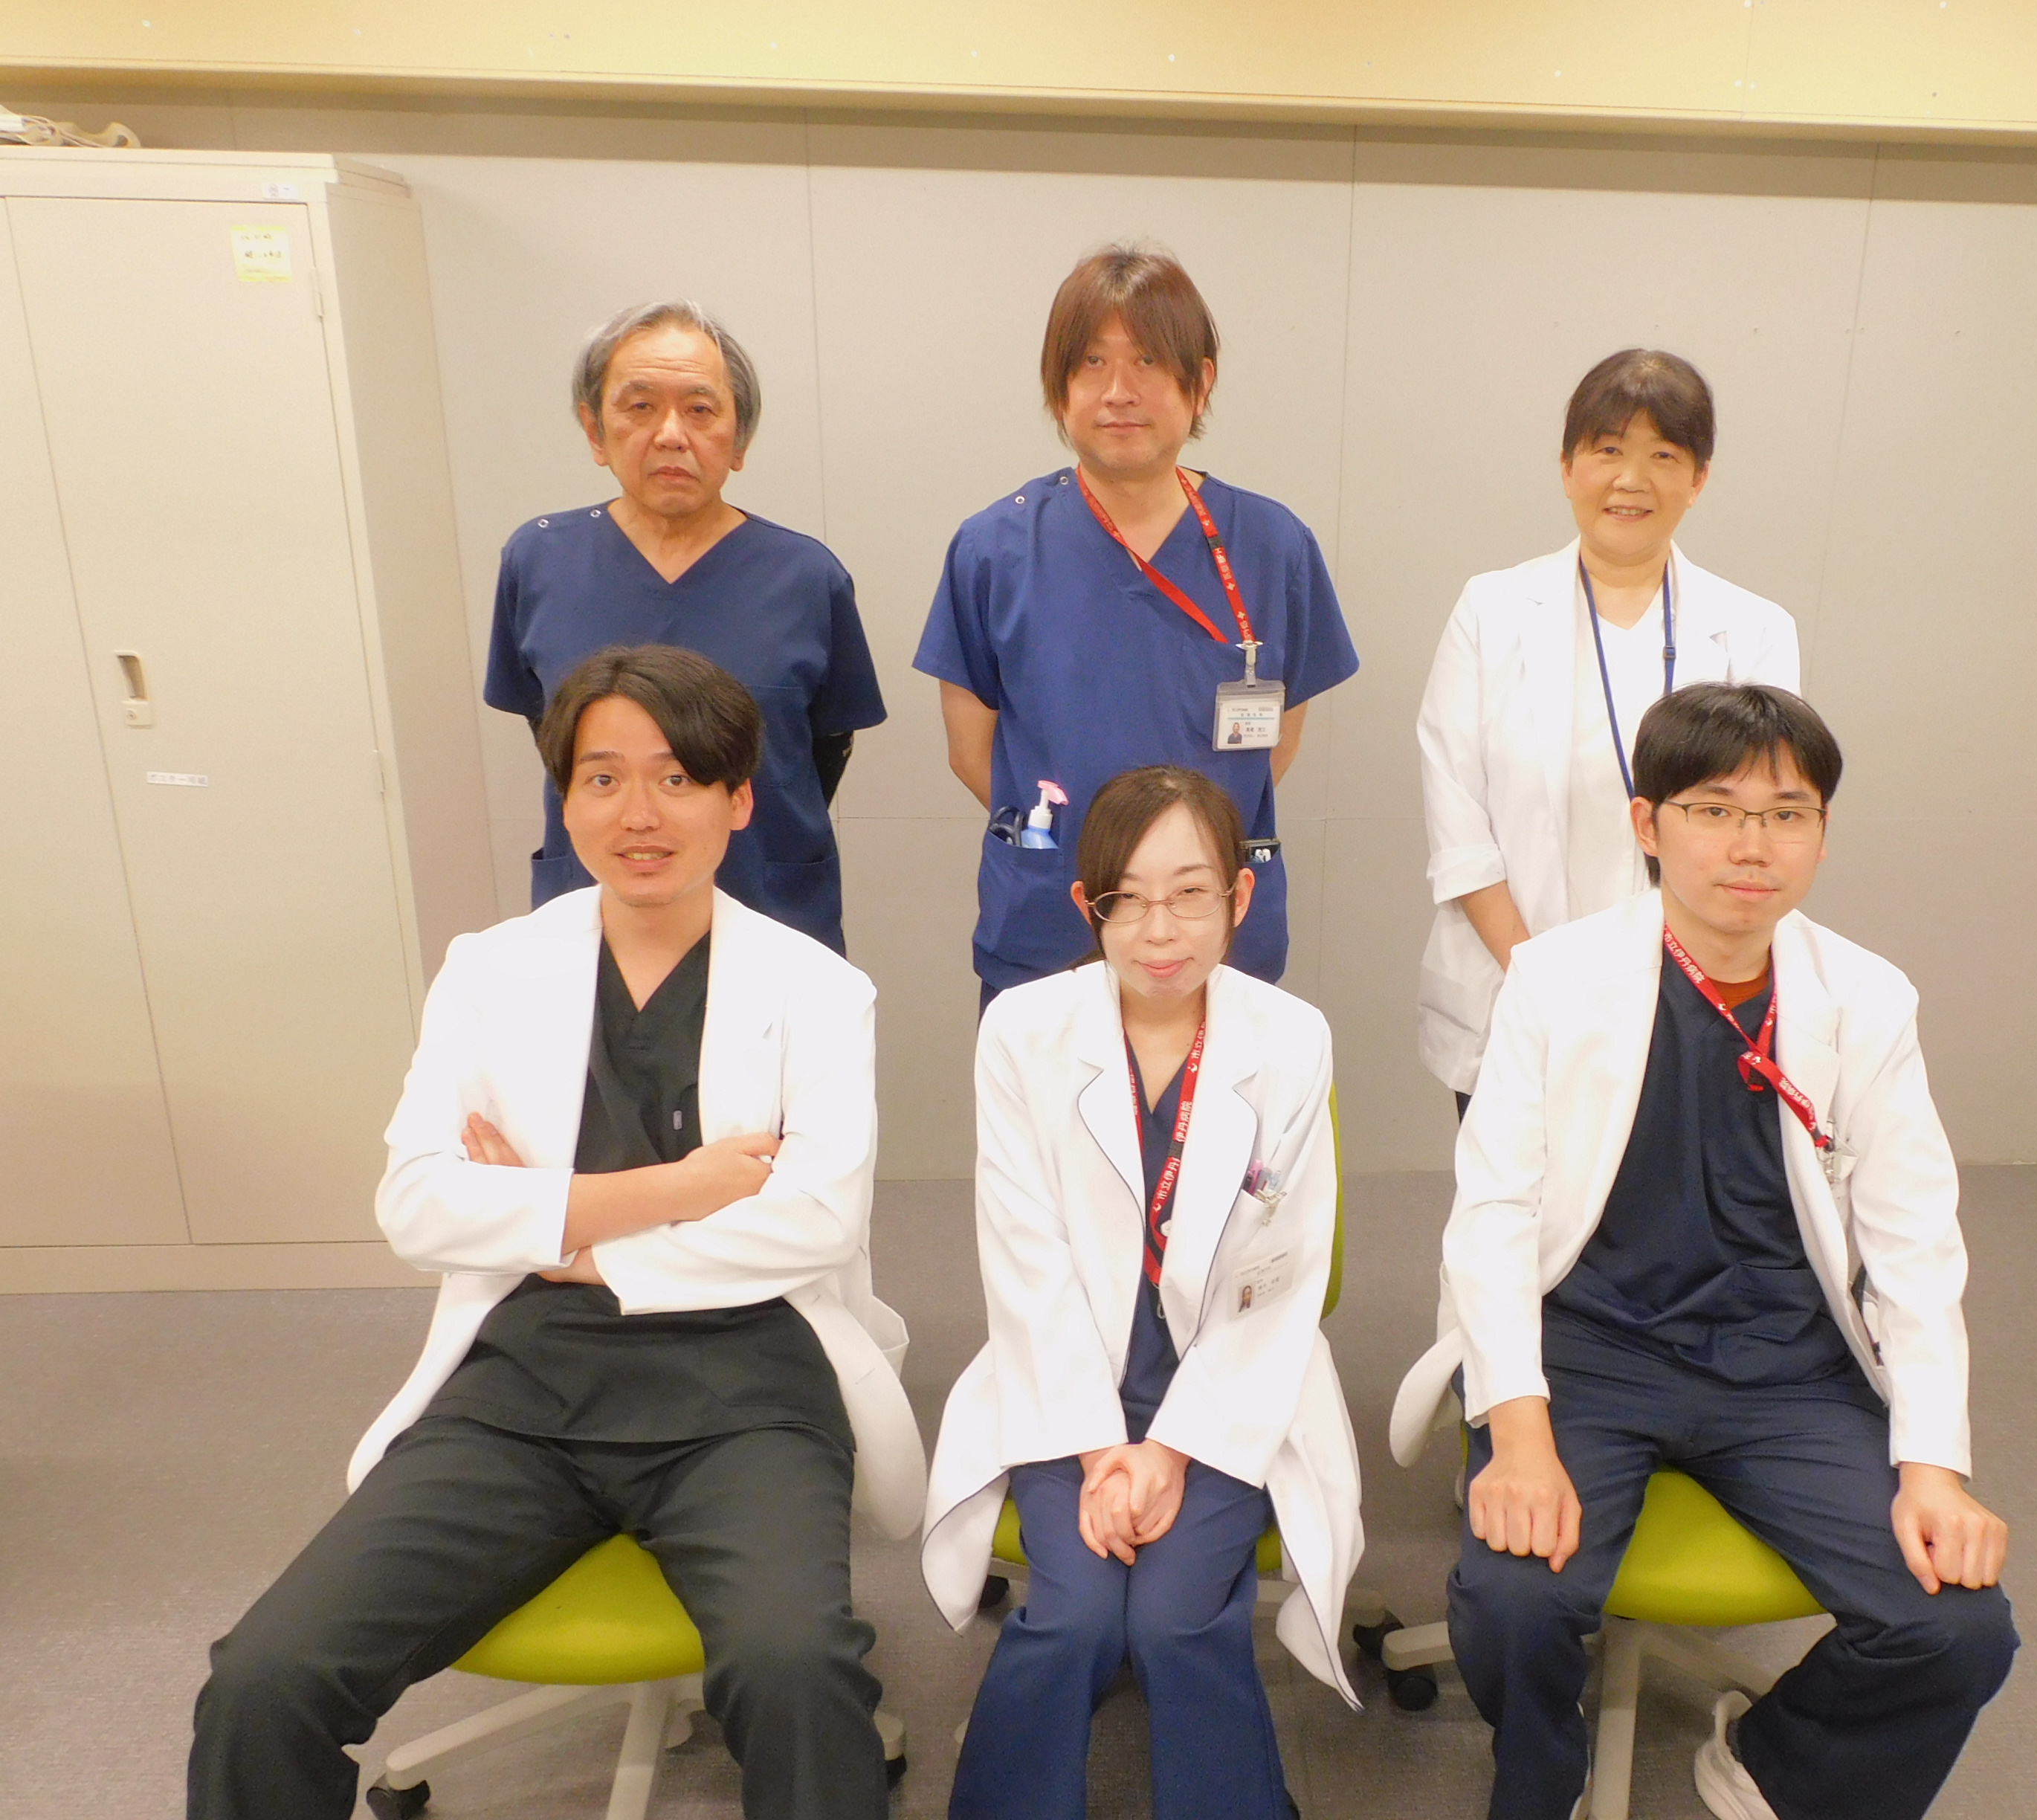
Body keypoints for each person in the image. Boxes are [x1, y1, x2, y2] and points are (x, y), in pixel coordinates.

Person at [189, 646, 924, 1820]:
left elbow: (814, 1221)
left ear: (739, 800)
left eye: (678, 778)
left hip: (746, 1384)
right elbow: (418, 1205)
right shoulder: (492, 972)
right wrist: (681, 1186)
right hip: (526, 1387)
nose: (639, 814)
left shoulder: (818, 989)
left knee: (798, 1673)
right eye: (602, 778)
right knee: (265, 1681)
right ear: (566, 800)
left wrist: (549, 1225)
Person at [1390, 684, 2016, 1820]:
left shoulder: (1866, 999)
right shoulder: (1557, 981)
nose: (1751, 845)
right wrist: (1516, 1435)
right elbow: (1492, 1214)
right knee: (1513, 1605)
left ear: (1822, 831)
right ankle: (1540, 1784)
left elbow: (1917, 1241)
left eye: (1786, 814)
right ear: (1648, 824)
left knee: (1958, 1627)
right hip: (1591, 1350)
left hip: (1789, 1365)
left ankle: (1777, 1763)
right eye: (1716, 810)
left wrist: (1935, 1466)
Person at [921, 766, 1363, 1820]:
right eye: (1129, 900)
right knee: (1074, 1616)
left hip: (1229, 1384)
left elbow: (1281, 1276)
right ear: (1090, 906)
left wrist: (1168, 1451)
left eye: (1192, 895)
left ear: (1239, 897)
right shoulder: (1023, 1032)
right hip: (1065, 1379)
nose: (1160, 931)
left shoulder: (1290, 1038)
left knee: (1174, 1618)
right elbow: (1025, 1259)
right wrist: (1099, 1450)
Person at [914, 245, 1359, 1008]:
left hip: (1218, 942)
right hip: (1050, 933)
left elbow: (1276, 744)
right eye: (1092, 362)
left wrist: (1177, 868)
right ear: (1058, 388)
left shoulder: (1273, 546)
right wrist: (1086, 846)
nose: (1119, 391)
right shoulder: (994, 549)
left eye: (1148, 360)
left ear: (1201, 381)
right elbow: (970, 751)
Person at [1416, 349, 1798, 1109]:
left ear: (1699, 479)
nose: (1631, 479)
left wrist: (1666, 988)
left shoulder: (1755, 631)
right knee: (1517, 1186)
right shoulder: (1492, 612)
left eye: (1664, 456)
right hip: (1513, 986)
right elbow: (1459, 832)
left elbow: (1759, 827)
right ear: (1567, 468)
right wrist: (1544, 987)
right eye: (1609, 450)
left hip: (1691, 994)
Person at [486, 300, 885, 956]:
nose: (671, 434)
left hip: (769, 907)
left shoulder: (807, 576)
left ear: (740, 439)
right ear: (594, 430)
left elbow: (824, 748)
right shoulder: (538, 561)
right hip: (597, 915)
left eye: (700, 410)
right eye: (640, 406)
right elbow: (552, 734)